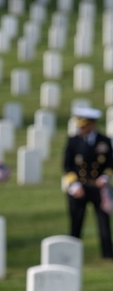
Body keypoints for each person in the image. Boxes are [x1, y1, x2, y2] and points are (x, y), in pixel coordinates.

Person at [62, 106, 113, 259]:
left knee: (104, 223)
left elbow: (110, 164)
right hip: (79, 188)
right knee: (76, 223)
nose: (81, 128)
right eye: (79, 125)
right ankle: (72, 254)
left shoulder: (104, 141)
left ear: (92, 124)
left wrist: (105, 177)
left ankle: (108, 255)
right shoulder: (73, 141)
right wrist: (74, 185)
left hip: (98, 189)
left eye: (83, 125)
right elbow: (67, 166)